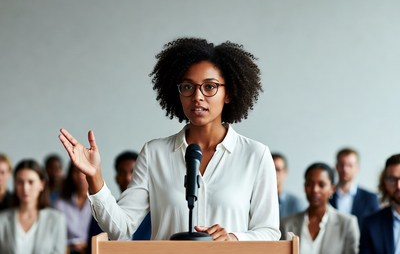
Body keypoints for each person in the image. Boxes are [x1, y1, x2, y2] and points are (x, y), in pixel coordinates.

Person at [58, 37, 280, 242]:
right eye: (188, 87)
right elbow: (121, 229)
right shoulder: (155, 153)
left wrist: (233, 238)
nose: (197, 96)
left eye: (210, 87)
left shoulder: (255, 155)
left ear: (229, 93)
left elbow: (269, 232)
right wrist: (95, 177)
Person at [53, 161, 92, 254]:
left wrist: (86, 245)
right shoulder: (60, 204)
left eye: (83, 172)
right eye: (76, 172)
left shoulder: (100, 203)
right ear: (71, 175)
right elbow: (55, 237)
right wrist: (71, 245)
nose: (81, 176)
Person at [330, 148, 379, 228]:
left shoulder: (370, 198)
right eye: (342, 165)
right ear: (336, 167)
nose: (345, 169)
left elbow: (376, 228)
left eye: (350, 165)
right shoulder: (327, 196)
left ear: (357, 168)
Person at [114, 150, 151, 240]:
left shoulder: (154, 215)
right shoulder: (104, 211)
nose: (128, 178)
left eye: (133, 172)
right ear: (117, 178)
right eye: (123, 173)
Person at [272, 152, 306, 219]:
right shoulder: (254, 201)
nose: (273, 173)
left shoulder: (297, 203)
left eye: (277, 170)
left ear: (285, 172)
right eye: (270, 169)